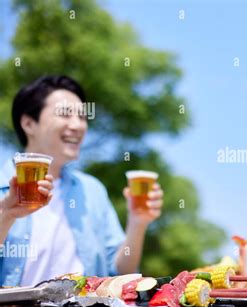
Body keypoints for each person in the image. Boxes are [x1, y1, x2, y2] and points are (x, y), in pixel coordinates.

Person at [0, 75, 164, 286]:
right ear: (29, 123)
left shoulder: (92, 190)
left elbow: (121, 272)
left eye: (82, 117)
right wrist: (6, 214)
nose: (78, 125)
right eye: (65, 114)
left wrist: (137, 223)